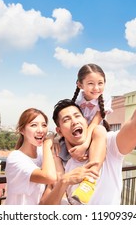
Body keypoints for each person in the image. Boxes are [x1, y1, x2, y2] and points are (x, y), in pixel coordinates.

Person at [41, 38, 136, 205]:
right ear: (59, 130)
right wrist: (64, 181)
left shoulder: (109, 147)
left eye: (78, 116)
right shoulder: (61, 159)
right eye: (66, 119)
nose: (74, 121)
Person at [57, 64, 112, 204]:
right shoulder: (75, 102)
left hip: (93, 135)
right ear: (80, 84)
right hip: (76, 136)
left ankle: (90, 181)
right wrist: (72, 149)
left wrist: (85, 145)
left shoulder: (105, 100)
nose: (96, 88)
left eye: (100, 83)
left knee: (100, 130)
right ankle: (60, 193)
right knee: (54, 146)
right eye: (91, 84)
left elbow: (94, 125)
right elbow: (68, 128)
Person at [5, 108, 57, 205]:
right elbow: (49, 177)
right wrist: (46, 145)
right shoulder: (15, 158)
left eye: (44, 125)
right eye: (34, 125)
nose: (41, 130)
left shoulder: (41, 153)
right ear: (21, 130)